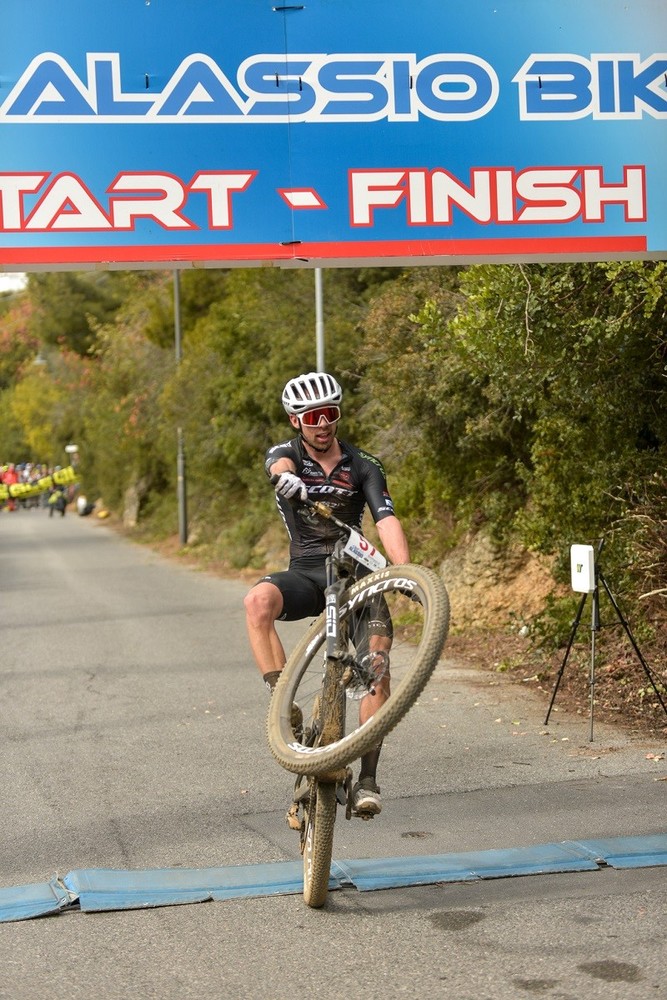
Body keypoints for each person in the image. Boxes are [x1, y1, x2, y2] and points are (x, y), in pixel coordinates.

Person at [244, 371, 410, 816]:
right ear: (296, 421)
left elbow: (385, 519)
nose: (323, 424)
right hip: (307, 574)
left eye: (330, 414)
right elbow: (276, 466)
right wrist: (287, 479)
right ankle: (283, 701)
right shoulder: (287, 454)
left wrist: (403, 569)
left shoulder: (363, 464)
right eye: (313, 416)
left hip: (354, 575)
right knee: (257, 602)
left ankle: (368, 780)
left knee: (377, 659)